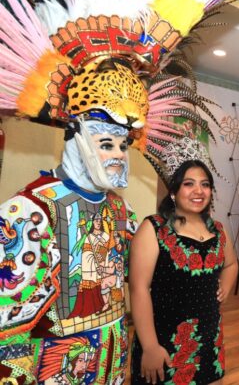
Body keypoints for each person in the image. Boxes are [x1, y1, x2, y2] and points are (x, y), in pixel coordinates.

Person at [0, 120, 137, 383]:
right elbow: (8, 319)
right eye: (106, 144)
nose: (119, 154)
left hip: (113, 356)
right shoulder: (32, 209)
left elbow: (133, 267)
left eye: (123, 146)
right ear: (77, 144)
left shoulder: (121, 208)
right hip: (59, 363)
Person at [130, 160, 238, 384]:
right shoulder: (154, 228)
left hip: (210, 336)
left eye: (205, 184)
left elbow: (231, 264)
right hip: (163, 340)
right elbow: (138, 288)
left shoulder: (218, 230)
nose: (199, 191)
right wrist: (150, 347)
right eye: (189, 184)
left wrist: (226, 287)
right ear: (173, 192)